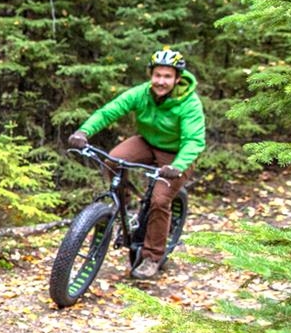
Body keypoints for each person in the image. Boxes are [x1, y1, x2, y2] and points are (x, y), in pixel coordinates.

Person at [68, 48, 206, 280]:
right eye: (157, 75)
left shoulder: (189, 103)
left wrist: (178, 165)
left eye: (167, 76)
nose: (161, 81)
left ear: (177, 78)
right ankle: (124, 207)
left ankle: (152, 257)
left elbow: (193, 141)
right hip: (147, 142)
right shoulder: (142, 93)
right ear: (151, 75)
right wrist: (84, 131)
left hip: (176, 155)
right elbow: (109, 111)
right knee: (113, 160)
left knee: (160, 200)